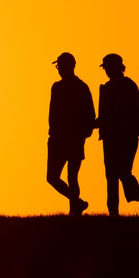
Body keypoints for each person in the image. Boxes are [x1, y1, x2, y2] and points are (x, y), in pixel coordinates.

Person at [95, 54, 139, 217]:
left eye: (108, 66)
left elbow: (137, 111)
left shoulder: (129, 86)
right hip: (109, 138)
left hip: (127, 136)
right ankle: (113, 213)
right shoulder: (105, 88)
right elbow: (103, 116)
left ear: (118, 67)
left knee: (123, 172)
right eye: (104, 67)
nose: (106, 70)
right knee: (111, 175)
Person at [47, 53, 96, 216]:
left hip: (72, 138)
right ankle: (77, 203)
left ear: (71, 66)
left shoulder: (80, 87)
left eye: (61, 66)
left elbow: (90, 114)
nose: (59, 70)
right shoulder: (59, 87)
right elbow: (52, 113)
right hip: (59, 139)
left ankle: (74, 210)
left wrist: (83, 133)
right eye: (58, 66)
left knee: (71, 177)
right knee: (54, 177)